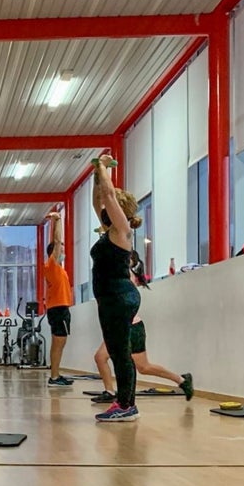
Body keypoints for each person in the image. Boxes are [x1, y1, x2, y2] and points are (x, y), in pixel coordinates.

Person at [90, 252, 194, 402]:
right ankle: (182, 381)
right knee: (140, 366)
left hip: (130, 327)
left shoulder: (126, 275)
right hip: (127, 326)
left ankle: (182, 381)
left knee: (137, 366)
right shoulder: (123, 274)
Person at [89, 154, 143, 422]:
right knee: (115, 349)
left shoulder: (121, 231)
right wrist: (96, 176)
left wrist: (103, 167)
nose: (103, 208)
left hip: (121, 297)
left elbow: (108, 197)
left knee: (120, 352)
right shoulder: (108, 232)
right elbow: (99, 199)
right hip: (111, 299)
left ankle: (126, 404)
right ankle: (123, 402)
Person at [42, 211, 74, 387]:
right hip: (58, 309)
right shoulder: (52, 264)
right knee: (58, 345)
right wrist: (58, 220)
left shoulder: (58, 269)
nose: (63, 249)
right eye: (60, 247)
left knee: (58, 345)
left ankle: (55, 375)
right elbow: (57, 240)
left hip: (59, 308)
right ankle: (54, 377)